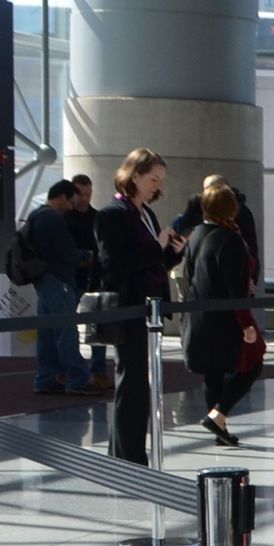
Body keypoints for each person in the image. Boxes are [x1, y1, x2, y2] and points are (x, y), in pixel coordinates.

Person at [95, 147, 185, 464]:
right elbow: (113, 264)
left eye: (160, 180)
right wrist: (157, 248)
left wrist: (174, 252)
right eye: (153, 179)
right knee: (131, 385)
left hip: (149, 310)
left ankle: (127, 453)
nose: (157, 186)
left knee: (140, 386)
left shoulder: (145, 213)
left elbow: (154, 261)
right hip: (129, 309)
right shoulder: (111, 215)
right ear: (134, 176)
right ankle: (127, 457)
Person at [180, 180, 262, 448]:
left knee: (212, 373)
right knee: (253, 363)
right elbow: (235, 288)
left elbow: (189, 276)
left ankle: (219, 428)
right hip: (224, 320)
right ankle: (218, 414)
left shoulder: (195, 236)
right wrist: (247, 324)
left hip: (198, 317)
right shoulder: (231, 239)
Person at [25, 179, 97, 396]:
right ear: (62, 197)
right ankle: (77, 378)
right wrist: (88, 256)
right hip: (59, 281)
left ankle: (45, 378)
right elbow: (67, 252)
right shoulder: (54, 219)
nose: (72, 207)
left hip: (43, 280)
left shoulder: (35, 215)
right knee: (67, 331)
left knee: (47, 332)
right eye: (71, 201)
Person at [66, 174, 111, 390]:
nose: (84, 198)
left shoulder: (97, 217)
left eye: (88, 194)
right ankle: (71, 369)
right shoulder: (65, 218)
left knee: (97, 328)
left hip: (93, 280)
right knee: (69, 327)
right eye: (80, 194)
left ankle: (98, 371)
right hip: (72, 279)